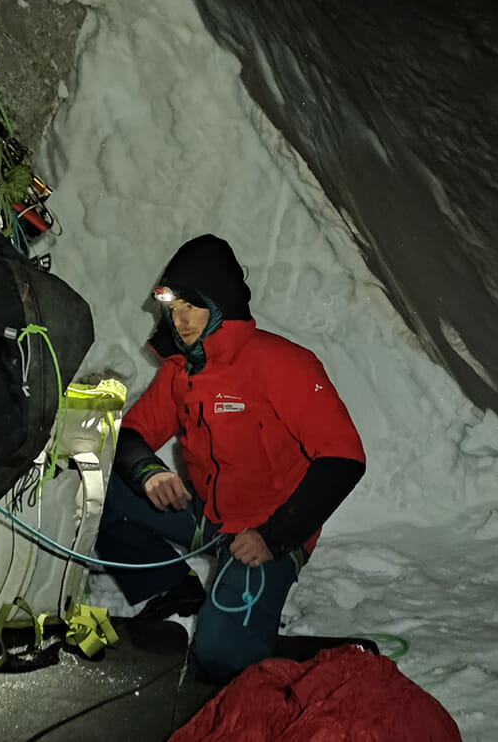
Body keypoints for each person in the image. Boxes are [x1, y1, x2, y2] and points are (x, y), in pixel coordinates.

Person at [96, 233, 365, 682]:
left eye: (191, 307)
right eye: (173, 308)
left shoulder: (283, 364)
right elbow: (132, 435)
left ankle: (243, 625)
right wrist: (149, 472)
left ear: (219, 305)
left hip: (267, 531)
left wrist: (274, 537)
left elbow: (344, 459)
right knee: (96, 492)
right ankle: (174, 591)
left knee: (221, 656)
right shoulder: (182, 370)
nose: (179, 320)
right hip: (211, 518)